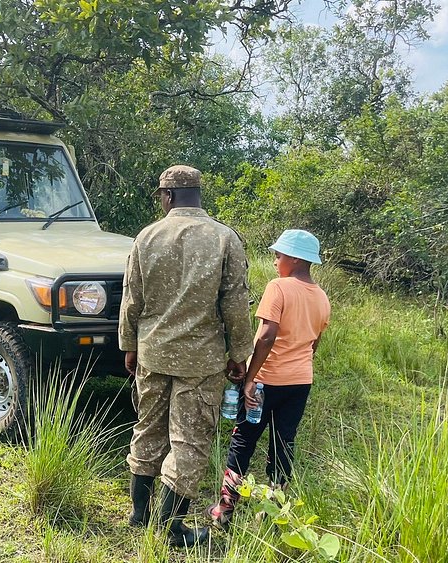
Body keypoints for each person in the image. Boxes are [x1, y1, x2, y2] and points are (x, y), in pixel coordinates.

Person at [119, 164, 254, 548]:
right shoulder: (224, 238)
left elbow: (133, 299)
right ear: (197, 194)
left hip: (153, 352)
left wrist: (129, 345)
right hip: (200, 360)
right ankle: (171, 528)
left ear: (168, 196)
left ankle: (140, 514)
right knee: (189, 442)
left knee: (148, 428)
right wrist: (240, 353)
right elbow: (235, 303)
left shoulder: (146, 237)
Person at [208, 229, 331, 529]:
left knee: (243, 441)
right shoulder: (322, 297)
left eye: (279, 255)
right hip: (300, 382)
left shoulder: (278, 287)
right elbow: (313, 344)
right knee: (283, 443)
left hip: (266, 382)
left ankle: (224, 511)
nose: (275, 261)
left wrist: (250, 379)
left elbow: (266, 335)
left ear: (294, 258)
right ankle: (274, 513)